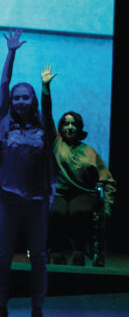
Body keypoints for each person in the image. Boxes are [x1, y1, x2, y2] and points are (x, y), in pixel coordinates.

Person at [0, 29, 56, 317]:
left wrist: (45, 88)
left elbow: (49, 110)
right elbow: (4, 83)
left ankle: (37, 310)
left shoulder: (45, 128)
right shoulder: (4, 121)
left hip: (37, 202)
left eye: (24, 97)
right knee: (3, 256)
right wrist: (11, 53)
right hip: (7, 200)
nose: (18, 101)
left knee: (38, 258)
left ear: (33, 101)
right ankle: (0, 307)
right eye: (16, 97)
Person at [50, 111, 116, 265]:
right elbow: (46, 115)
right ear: (60, 128)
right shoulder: (56, 143)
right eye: (66, 124)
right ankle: (56, 251)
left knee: (79, 211)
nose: (70, 127)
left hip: (82, 192)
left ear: (80, 129)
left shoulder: (89, 152)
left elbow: (107, 180)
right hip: (59, 192)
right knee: (56, 211)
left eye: (74, 124)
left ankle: (79, 250)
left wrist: (107, 207)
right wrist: (46, 91)